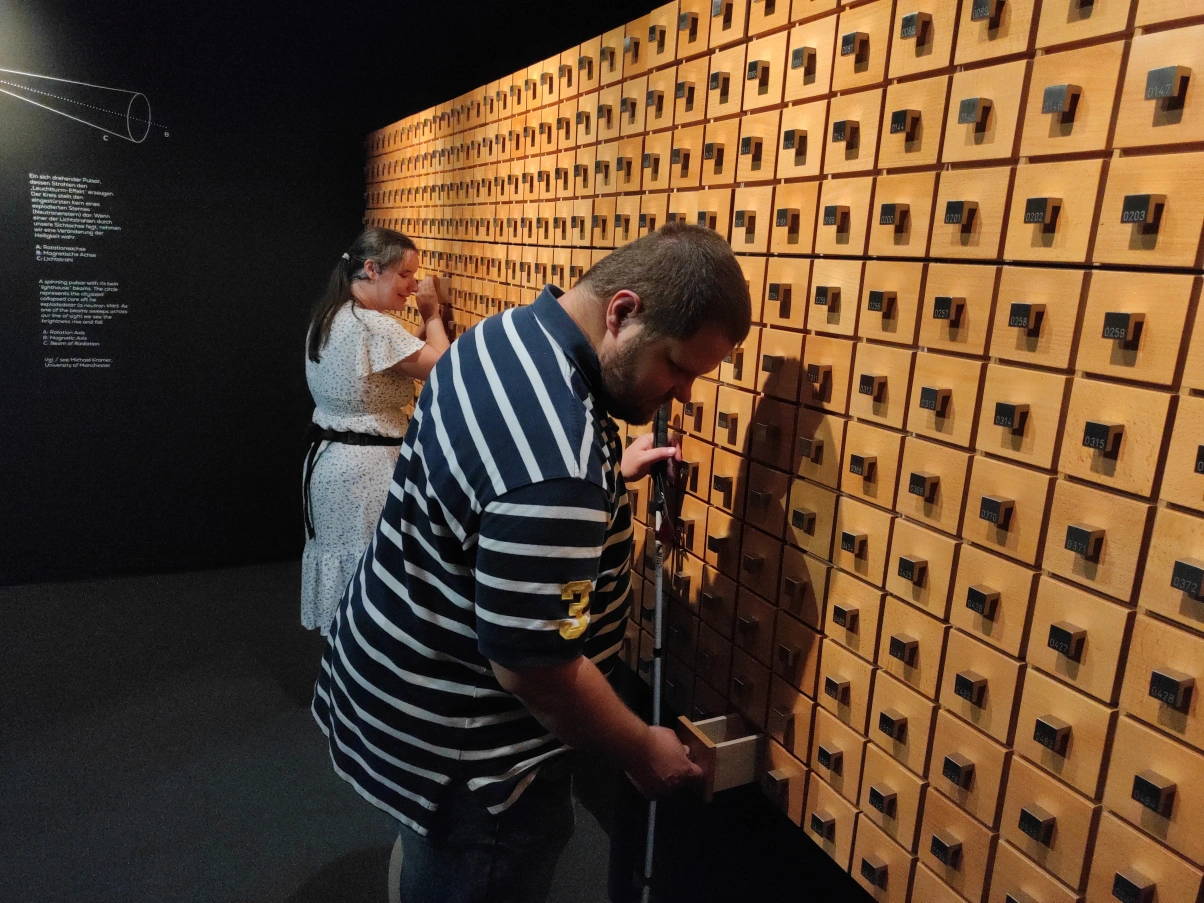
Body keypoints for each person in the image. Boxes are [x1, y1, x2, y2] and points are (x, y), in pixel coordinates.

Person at [311, 222, 752, 903]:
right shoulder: (557, 465)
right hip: (470, 758)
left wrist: (606, 477)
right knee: (478, 868)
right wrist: (639, 746)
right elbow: (534, 668)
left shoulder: (508, 335)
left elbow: (499, 485)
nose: (686, 392)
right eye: (679, 366)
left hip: (400, 685)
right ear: (623, 312)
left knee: (428, 853)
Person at [301, 227, 450, 635]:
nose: (413, 285)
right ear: (371, 269)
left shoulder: (332, 314)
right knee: (370, 575)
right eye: (405, 275)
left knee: (346, 572)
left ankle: (341, 677)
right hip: (366, 470)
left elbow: (385, 362)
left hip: (331, 465)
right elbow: (450, 369)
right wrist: (432, 314)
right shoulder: (372, 327)